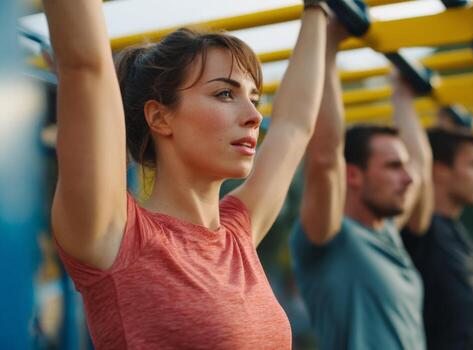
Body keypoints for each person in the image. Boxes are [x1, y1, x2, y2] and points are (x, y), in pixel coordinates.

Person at [43, 0, 332, 348]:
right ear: (160, 118)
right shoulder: (117, 236)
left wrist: (317, 9)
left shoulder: (238, 235)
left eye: (254, 98)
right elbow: (85, 67)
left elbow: (294, 126)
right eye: (225, 93)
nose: (254, 115)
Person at [289, 37, 434, 349]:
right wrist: (327, 45)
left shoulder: (388, 233)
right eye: (394, 166)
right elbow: (325, 158)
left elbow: (421, 169)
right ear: (352, 175)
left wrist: (402, 96)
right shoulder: (329, 238)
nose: (407, 178)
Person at [402, 127, 473, 350]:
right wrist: (402, 96)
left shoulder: (455, 231)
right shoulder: (420, 227)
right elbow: (419, 163)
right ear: (440, 170)